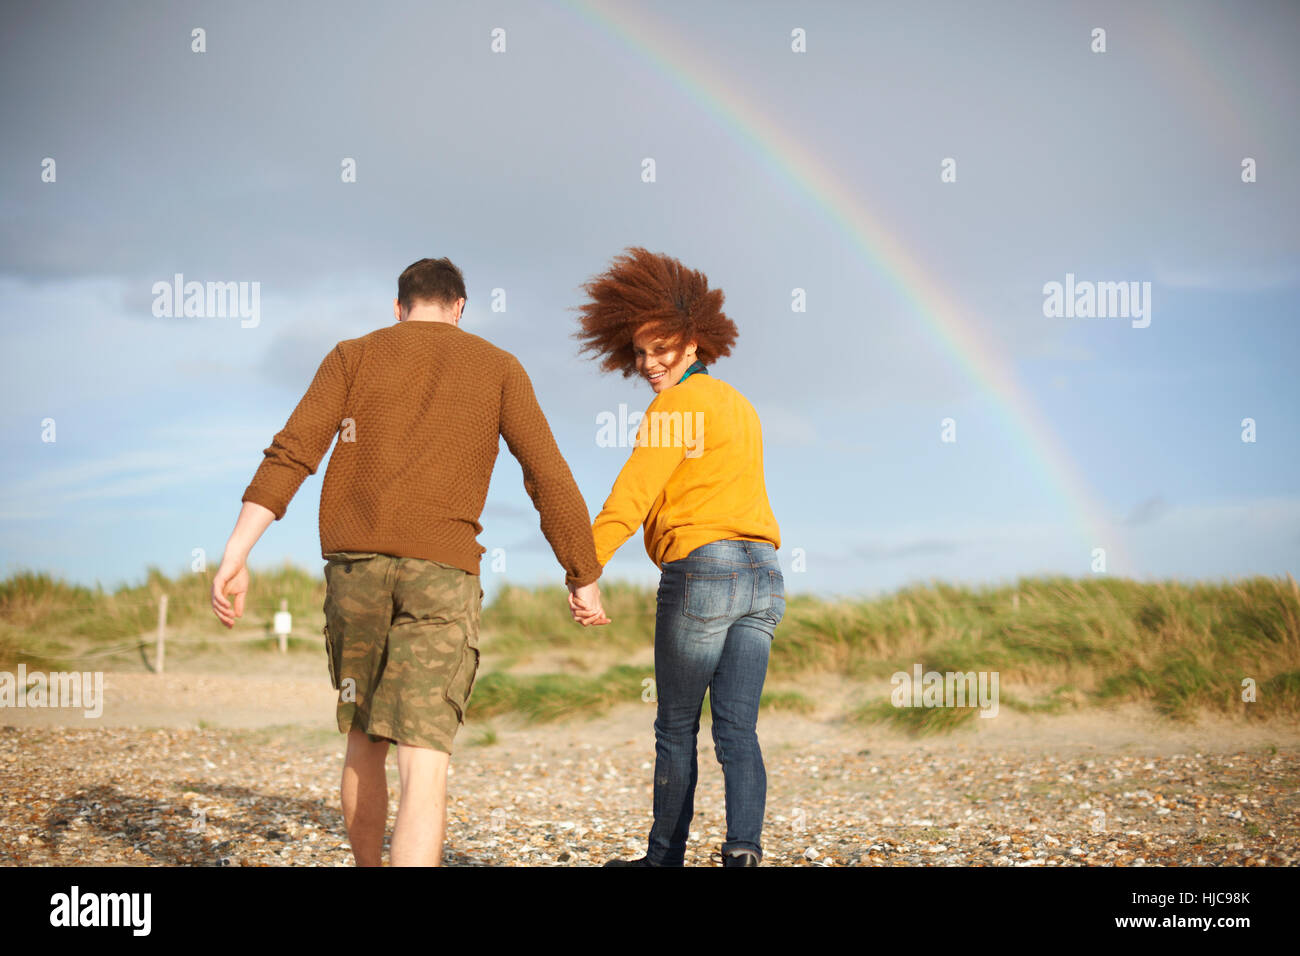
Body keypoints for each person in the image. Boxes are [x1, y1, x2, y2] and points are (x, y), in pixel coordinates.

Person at [210, 257, 610, 867]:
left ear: (398, 307)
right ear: (459, 308)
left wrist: (236, 553)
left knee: (363, 740)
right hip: (442, 577)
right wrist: (581, 573)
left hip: (355, 572)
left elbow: (293, 451)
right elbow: (546, 473)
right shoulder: (499, 366)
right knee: (424, 761)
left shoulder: (352, 355)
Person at [569, 247, 784, 867]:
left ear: (694, 341)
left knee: (675, 728)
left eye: (661, 349)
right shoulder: (740, 405)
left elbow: (631, 494)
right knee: (738, 730)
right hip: (764, 575)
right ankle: (743, 850)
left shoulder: (675, 406)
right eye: (639, 352)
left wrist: (585, 568)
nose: (648, 364)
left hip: (705, 571)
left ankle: (663, 859)